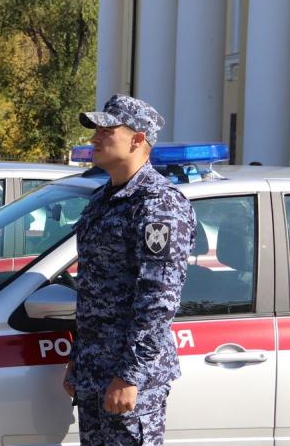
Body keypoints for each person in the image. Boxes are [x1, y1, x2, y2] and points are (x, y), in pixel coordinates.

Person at [63, 95, 197, 446]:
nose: (94, 138)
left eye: (106, 130)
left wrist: (129, 376)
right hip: (96, 372)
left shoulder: (159, 204)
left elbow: (158, 300)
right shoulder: (103, 198)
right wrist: (79, 358)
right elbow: (92, 288)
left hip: (129, 379)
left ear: (138, 139)